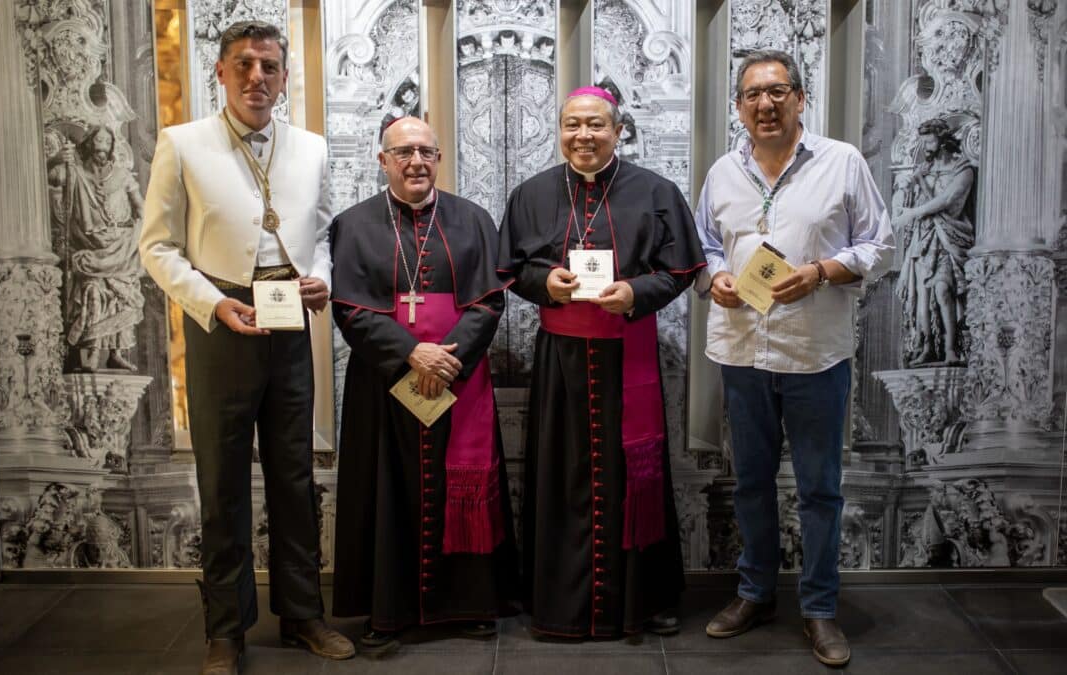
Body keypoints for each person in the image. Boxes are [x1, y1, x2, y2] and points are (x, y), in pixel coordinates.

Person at [139, 20, 354, 675]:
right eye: (244, 66)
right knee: (222, 482)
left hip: (289, 318)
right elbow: (156, 246)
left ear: (284, 76)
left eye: (268, 66)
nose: (257, 77)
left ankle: (303, 614)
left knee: (294, 474)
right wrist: (210, 302)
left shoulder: (311, 147)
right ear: (221, 73)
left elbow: (323, 232)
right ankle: (225, 629)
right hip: (220, 320)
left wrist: (324, 276)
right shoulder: (181, 143)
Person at [694, 49, 894, 667]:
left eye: (777, 91)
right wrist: (717, 276)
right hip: (742, 352)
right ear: (739, 107)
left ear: (800, 98)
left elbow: (879, 245)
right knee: (750, 482)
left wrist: (822, 271)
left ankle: (820, 608)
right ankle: (755, 594)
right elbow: (704, 244)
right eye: (753, 94)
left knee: (819, 490)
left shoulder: (842, 162)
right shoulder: (723, 171)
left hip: (814, 354)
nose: (765, 104)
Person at [497, 87, 704, 638]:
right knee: (562, 476)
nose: (582, 136)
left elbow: (681, 269)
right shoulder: (532, 193)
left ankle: (643, 599)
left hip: (627, 355)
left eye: (595, 125)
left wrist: (636, 291)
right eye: (571, 125)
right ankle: (558, 604)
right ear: (559, 130)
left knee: (634, 473)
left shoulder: (656, 191)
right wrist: (546, 282)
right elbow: (509, 269)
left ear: (618, 130)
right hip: (559, 361)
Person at [329, 116, 518, 652]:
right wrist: (410, 352)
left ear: (438, 158)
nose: (416, 162)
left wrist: (444, 359)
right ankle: (388, 609)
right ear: (382, 160)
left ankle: (470, 603)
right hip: (385, 380)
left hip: (458, 378)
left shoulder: (473, 219)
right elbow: (348, 308)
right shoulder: (354, 223)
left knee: (462, 488)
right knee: (386, 491)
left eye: (426, 152)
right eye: (403, 152)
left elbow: (489, 301)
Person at [49, 125, 145, 372]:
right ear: (90, 144)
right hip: (90, 246)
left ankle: (117, 353)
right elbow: (53, 178)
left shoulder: (123, 175)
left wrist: (141, 231)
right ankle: (92, 353)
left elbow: (140, 207)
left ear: (112, 146)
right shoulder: (76, 172)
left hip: (121, 246)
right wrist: (59, 158)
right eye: (98, 140)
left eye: (107, 140)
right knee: (94, 293)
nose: (102, 145)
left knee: (122, 299)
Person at [894, 117, 975, 366]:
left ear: (942, 140)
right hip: (924, 237)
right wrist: (902, 189)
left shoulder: (963, 170)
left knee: (943, 290)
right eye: (923, 141)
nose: (926, 146)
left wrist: (914, 213)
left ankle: (951, 348)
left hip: (948, 237)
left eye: (929, 140)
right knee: (921, 295)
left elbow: (948, 201)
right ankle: (928, 346)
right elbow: (902, 204)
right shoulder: (923, 171)